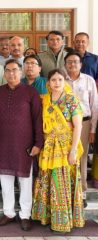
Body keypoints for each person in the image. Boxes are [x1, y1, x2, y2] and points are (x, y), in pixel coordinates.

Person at [0, 59, 43, 231]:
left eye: (15, 70)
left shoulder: (31, 92)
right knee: (6, 180)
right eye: (8, 70)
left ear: (20, 72)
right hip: (4, 143)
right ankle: (8, 213)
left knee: (25, 180)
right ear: (4, 73)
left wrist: (38, 143)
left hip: (25, 144)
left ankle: (25, 215)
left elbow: (38, 119)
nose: (11, 73)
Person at [32, 69, 85, 232]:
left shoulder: (71, 100)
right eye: (53, 80)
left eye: (60, 80)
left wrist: (73, 150)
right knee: (48, 180)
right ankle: (48, 217)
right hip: (49, 146)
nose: (57, 83)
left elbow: (78, 126)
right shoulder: (44, 100)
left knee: (61, 181)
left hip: (65, 146)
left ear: (65, 82)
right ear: (48, 83)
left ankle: (63, 222)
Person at [65, 52, 98, 206]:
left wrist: (93, 129)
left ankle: (81, 193)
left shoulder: (88, 80)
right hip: (65, 125)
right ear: (65, 65)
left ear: (81, 64)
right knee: (66, 156)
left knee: (81, 157)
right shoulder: (61, 80)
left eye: (75, 62)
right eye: (69, 62)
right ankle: (67, 191)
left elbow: (95, 106)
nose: (72, 65)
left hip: (84, 124)